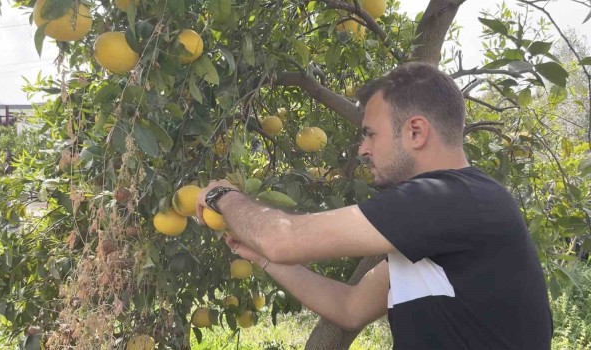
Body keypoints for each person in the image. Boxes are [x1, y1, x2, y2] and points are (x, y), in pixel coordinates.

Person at [195, 62, 553, 349]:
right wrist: (264, 259)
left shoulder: (452, 199)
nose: (362, 149)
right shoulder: (441, 221)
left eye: (370, 134)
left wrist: (222, 195)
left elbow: (285, 238)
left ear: (415, 132)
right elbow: (350, 308)